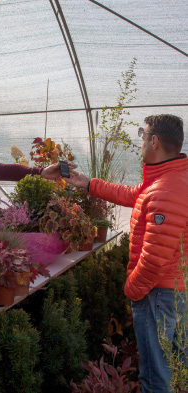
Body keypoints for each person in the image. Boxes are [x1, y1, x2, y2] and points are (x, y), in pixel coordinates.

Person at [65, 114, 188, 393]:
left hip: (158, 295)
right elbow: (134, 194)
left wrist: (132, 289)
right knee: (176, 370)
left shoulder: (167, 189)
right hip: (173, 293)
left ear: (154, 141)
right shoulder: (167, 180)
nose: (141, 141)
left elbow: (155, 259)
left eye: (142, 135)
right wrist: (88, 183)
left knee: (156, 377)